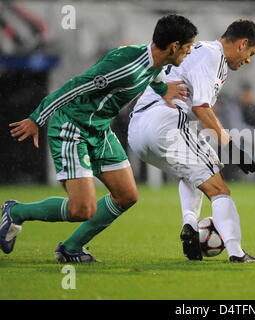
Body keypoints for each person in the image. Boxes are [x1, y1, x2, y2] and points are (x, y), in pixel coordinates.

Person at [1, 14, 198, 263]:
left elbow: (155, 74)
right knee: (82, 209)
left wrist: (163, 90)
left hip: (100, 129)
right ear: (174, 47)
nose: (190, 52)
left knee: (127, 196)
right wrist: (37, 118)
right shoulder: (124, 66)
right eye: (189, 47)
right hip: (72, 126)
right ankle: (16, 211)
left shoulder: (153, 60)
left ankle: (71, 248)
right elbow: (75, 85)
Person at [128, 19, 255, 263]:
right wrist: (232, 147)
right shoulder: (211, 55)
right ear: (243, 44)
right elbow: (201, 107)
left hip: (137, 130)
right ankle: (237, 253)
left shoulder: (200, 52)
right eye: (252, 52)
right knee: (219, 189)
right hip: (165, 122)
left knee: (195, 172)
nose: (249, 60)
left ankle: (190, 223)